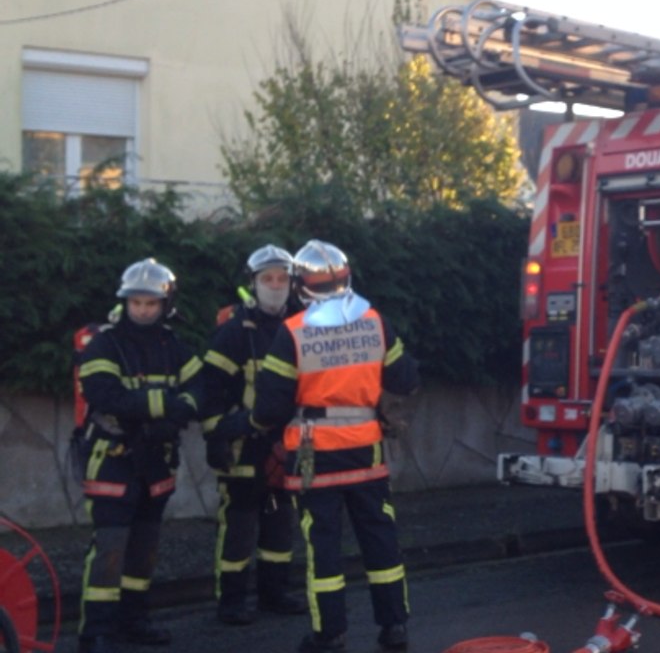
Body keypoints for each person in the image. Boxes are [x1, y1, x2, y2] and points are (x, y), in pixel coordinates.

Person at [217, 240, 419, 653]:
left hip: (312, 456)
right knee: (380, 538)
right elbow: (405, 379)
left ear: (301, 287)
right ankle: (395, 627)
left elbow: (270, 408)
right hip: (367, 453)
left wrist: (242, 424)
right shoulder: (375, 321)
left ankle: (330, 635)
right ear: (347, 280)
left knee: (322, 546)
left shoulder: (294, 332)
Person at [75, 259, 202, 653]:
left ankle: (134, 621)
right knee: (110, 545)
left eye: (151, 303)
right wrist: (167, 406)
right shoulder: (104, 344)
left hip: (156, 462)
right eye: (137, 303)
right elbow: (104, 395)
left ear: (165, 304)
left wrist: (169, 408)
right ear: (125, 303)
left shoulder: (175, 346)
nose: (143, 310)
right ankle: (95, 632)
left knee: (144, 547)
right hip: (112, 459)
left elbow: (200, 391)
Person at [201, 244, 308, 625]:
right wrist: (215, 437)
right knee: (240, 526)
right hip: (243, 444)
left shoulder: (301, 325)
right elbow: (209, 391)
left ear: (292, 283)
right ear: (253, 283)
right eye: (267, 279)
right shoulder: (234, 332)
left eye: (282, 278)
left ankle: (274, 593)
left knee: (280, 522)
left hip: (287, 445)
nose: (275, 285)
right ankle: (231, 601)